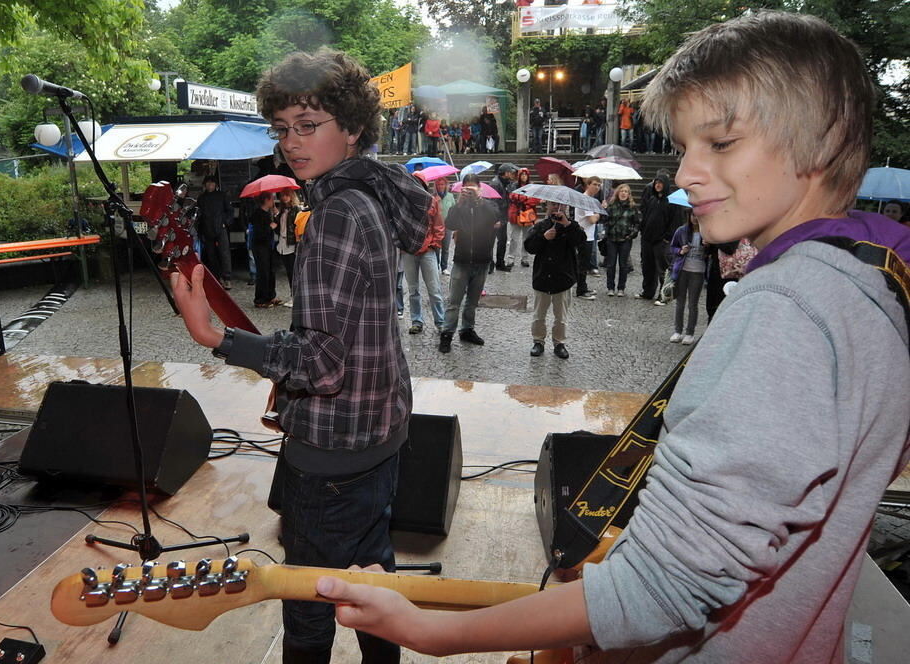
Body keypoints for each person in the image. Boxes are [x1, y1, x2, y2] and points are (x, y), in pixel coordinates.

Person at [310, 12, 910, 662]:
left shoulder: (789, 308)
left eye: (722, 144)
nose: (685, 173)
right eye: (685, 146)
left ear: (817, 145)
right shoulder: (868, 279)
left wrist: (432, 629)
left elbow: (661, 591)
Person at [169, 47, 431, 664]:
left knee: (307, 602)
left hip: (337, 445)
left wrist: (217, 338)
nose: (292, 141)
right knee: (373, 577)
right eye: (283, 128)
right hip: (382, 426)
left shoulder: (336, 214)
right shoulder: (373, 195)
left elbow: (322, 363)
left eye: (309, 126)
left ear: (353, 127)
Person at [438, 173, 500, 354]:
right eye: (467, 188)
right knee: (454, 302)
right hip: (462, 260)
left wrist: (480, 201)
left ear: (479, 188)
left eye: (473, 188)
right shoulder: (460, 207)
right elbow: (449, 224)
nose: (470, 192)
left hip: (481, 260)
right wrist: (459, 203)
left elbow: (495, 217)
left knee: (472, 301)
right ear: (462, 189)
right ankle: (446, 334)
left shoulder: (488, 205)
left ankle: (467, 330)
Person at [524, 201, 579, 359]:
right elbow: (530, 247)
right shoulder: (541, 226)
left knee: (561, 316)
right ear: (547, 207)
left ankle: (559, 342)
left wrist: (567, 225)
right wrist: (543, 237)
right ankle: (538, 341)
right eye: (553, 205)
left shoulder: (571, 226)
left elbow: (580, 242)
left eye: (560, 205)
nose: (556, 208)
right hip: (542, 277)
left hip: (563, 278)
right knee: (539, 314)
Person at [403, 174, 446, 334]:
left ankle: (440, 321)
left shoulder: (432, 201)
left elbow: (439, 225)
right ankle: (416, 321)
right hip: (409, 251)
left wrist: (434, 244)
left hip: (427, 250)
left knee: (434, 289)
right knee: (413, 289)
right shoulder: (405, 202)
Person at [635, 172, 676, 304]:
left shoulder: (671, 201)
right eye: (656, 183)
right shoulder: (652, 199)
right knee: (647, 267)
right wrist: (642, 230)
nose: (658, 185)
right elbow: (646, 216)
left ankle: (663, 295)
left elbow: (675, 221)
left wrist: (667, 238)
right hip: (647, 238)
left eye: (661, 183)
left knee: (662, 269)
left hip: (661, 241)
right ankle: (648, 291)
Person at [668, 210, 706, 344]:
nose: (695, 218)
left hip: (698, 271)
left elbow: (713, 251)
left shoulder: (707, 232)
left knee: (693, 304)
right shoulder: (682, 231)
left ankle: (690, 332)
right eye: (692, 215)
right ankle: (677, 331)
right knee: (680, 302)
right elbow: (672, 248)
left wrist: (708, 247)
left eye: (697, 215)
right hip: (682, 270)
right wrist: (680, 250)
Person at [194, 175, 234, 289]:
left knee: (224, 253)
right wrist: (200, 231)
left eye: (212, 183)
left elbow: (229, 211)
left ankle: (227, 278)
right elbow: (199, 216)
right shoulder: (201, 198)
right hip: (207, 229)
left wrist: (225, 222)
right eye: (207, 183)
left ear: (216, 184)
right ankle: (216, 278)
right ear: (205, 185)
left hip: (220, 228)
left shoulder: (222, 195)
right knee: (211, 255)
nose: (209, 185)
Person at [602, 183, 640, 296]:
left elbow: (637, 224)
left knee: (623, 265)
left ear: (629, 194)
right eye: (621, 191)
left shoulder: (632, 207)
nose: (623, 193)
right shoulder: (611, 205)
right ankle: (610, 287)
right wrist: (603, 209)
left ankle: (621, 288)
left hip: (625, 240)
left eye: (626, 191)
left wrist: (631, 235)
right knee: (610, 264)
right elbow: (605, 221)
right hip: (612, 239)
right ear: (617, 193)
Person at [574, 176, 602, 300]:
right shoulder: (585, 200)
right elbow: (591, 220)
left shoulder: (591, 199)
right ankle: (581, 290)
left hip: (589, 236)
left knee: (584, 264)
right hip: (584, 236)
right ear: (588, 184)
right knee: (583, 264)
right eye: (595, 184)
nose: (597, 187)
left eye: (599, 185)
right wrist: (599, 213)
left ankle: (583, 286)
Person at [250, 192, 280, 307]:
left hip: (268, 245)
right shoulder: (257, 214)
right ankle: (260, 299)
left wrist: (276, 216)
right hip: (259, 246)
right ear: (266, 200)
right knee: (263, 272)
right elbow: (259, 233)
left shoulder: (268, 213)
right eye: (272, 199)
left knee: (271, 270)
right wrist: (269, 227)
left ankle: (270, 296)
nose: (273, 201)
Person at [487, 163, 518, 273]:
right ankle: (490, 264)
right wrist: (496, 219)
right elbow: (492, 202)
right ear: (506, 173)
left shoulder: (506, 183)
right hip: (495, 218)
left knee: (502, 240)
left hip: (503, 217)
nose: (512, 174)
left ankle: (500, 263)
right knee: (490, 241)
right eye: (511, 172)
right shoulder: (496, 183)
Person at [507, 168, 539, 268]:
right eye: (522, 174)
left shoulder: (532, 186)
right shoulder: (513, 186)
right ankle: (510, 258)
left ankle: (524, 258)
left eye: (526, 174)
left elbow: (535, 200)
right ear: (519, 176)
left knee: (526, 238)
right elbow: (512, 197)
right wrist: (526, 198)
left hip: (528, 215)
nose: (524, 176)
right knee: (514, 238)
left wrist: (523, 199)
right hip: (516, 214)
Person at [275, 188, 301, 306]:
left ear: (291, 196)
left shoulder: (296, 209)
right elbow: (279, 228)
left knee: (293, 272)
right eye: (282, 195)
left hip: (291, 244)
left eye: (286, 195)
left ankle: (295, 297)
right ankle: (293, 295)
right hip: (282, 243)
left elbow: (298, 228)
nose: (284, 197)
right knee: (289, 272)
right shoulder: (282, 210)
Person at [435, 176, 456, 274]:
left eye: (442, 184)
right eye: (438, 184)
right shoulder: (434, 196)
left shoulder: (450, 196)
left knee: (446, 247)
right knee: (436, 247)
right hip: (437, 226)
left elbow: (454, 209)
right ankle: (436, 266)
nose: (440, 186)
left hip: (448, 225)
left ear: (446, 185)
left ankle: (444, 267)